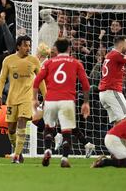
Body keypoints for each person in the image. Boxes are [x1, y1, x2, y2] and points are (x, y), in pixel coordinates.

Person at [33, 38, 90, 168]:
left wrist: (34, 98)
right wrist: (86, 102)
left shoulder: (49, 62)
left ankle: (47, 150)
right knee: (66, 130)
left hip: (51, 99)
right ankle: (64, 158)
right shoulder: (76, 63)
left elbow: (36, 81)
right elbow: (86, 84)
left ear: (56, 50)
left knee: (48, 127)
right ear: (69, 49)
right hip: (67, 100)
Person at [0, 35, 46, 163]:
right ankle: (17, 149)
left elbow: (40, 80)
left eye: (29, 45)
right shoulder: (8, 60)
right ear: (18, 46)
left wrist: (46, 96)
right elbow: (2, 79)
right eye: (25, 45)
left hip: (27, 97)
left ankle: (16, 156)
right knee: (11, 129)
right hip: (12, 98)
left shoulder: (34, 60)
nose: (28, 48)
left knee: (22, 122)